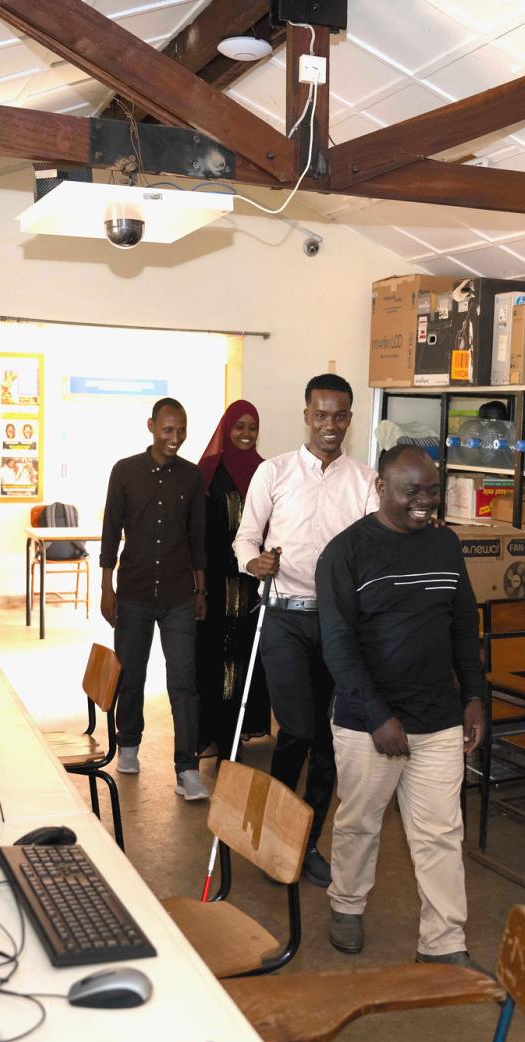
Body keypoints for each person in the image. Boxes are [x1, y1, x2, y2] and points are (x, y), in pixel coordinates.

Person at [317, 444, 486, 970]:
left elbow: (462, 625)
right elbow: (338, 645)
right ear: (381, 487)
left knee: (440, 831)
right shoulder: (345, 553)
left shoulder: (444, 544)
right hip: (368, 724)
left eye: (432, 491)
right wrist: (376, 717)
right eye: (412, 490)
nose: (425, 501)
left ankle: (443, 940)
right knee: (360, 822)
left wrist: (475, 696)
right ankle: (346, 904)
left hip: (438, 717)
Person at [234, 373, 377, 886]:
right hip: (283, 616)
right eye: (321, 415)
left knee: (330, 738)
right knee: (297, 727)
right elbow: (245, 538)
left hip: (339, 623)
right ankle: (273, 829)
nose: (330, 426)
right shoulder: (273, 473)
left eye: (340, 416)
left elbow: (373, 550)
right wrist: (254, 565)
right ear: (306, 415)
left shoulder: (365, 481)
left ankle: (304, 841)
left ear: (349, 418)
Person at [98, 397, 209, 801]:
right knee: (131, 674)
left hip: (180, 594)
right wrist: (107, 586)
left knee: (184, 682)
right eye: (167, 429)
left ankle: (188, 769)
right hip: (135, 592)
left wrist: (201, 589)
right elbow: (111, 531)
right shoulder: (125, 472)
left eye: (181, 430)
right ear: (151, 426)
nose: (175, 438)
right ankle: (128, 745)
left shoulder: (192, 478)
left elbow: (198, 538)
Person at [194, 400, 271, 755]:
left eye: (252, 427)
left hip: (252, 586)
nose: (245, 434)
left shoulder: (265, 471)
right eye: (238, 427)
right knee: (212, 657)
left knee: (245, 657)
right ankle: (212, 732)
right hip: (215, 585)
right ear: (226, 429)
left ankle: (235, 732)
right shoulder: (209, 471)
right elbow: (195, 531)